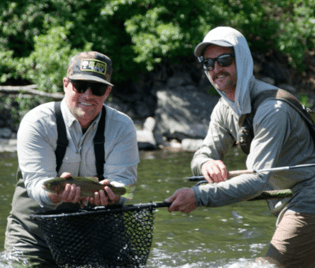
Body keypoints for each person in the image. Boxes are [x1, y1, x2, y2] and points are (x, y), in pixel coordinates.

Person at [166, 27, 315, 268]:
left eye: (224, 60)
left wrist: (198, 196)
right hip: (287, 202)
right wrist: (207, 163)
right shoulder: (224, 108)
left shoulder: (272, 110)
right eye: (208, 63)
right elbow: (202, 153)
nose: (215, 69)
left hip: (308, 199)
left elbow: (256, 180)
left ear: (242, 60)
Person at [5, 51, 139, 267]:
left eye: (97, 88)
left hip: (98, 229)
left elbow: (124, 183)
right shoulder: (37, 122)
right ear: (66, 84)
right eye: (80, 86)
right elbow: (36, 183)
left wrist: (113, 194)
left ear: (107, 92)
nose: (88, 95)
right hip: (34, 233)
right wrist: (54, 195)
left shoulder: (122, 127)